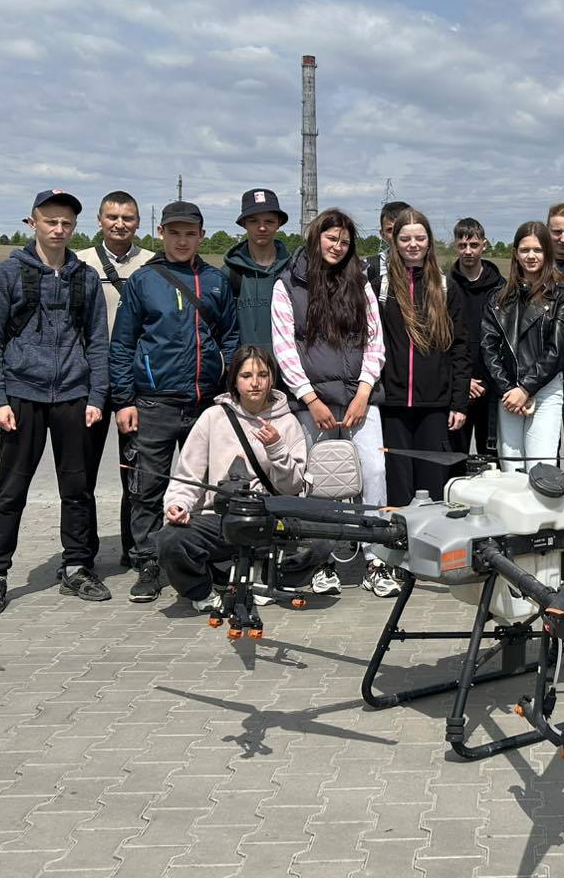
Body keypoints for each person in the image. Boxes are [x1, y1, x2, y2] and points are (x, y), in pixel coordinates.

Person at [0, 189, 110, 616]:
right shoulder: (7, 274)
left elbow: (98, 342)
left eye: (66, 223)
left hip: (73, 395)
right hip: (21, 395)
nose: (59, 229)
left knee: (77, 489)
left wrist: (96, 395)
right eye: (51, 221)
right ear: (32, 223)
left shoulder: (86, 277)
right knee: (11, 490)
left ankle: (77, 566)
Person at [109, 200, 240, 604]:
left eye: (190, 233)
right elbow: (122, 343)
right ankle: (148, 561)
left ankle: (206, 558)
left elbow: (231, 337)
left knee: (207, 487)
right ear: (161, 233)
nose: (182, 241)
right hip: (154, 403)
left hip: (205, 403)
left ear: (201, 236)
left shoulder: (216, 281)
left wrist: (225, 383)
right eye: (175, 233)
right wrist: (123, 400)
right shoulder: (144, 281)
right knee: (148, 487)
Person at [270, 208, 393, 595]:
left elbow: (375, 342)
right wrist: (310, 398)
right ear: (315, 237)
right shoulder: (287, 284)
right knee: (318, 479)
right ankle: (321, 561)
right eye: (331, 238)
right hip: (314, 403)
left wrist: (364, 391)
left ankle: (376, 560)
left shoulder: (361, 282)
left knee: (374, 471)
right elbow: (284, 348)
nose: (337, 246)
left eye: (344, 241)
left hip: (359, 399)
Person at [159, 346, 307, 610]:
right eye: (246, 375)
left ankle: (266, 575)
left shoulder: (288, 422)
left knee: (322, 542)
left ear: (272, 379)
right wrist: (177, 504)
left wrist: (276, 448)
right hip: (222, 519)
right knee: (170, 539)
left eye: (263, 375)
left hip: (268, 519)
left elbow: (292, 487)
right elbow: (187, 475)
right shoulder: (213, 417)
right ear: (234, 381)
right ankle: (203, 589)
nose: (255, 383)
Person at [76, 190, 150, 567]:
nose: (120, 224)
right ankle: (81, 554)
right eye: (112, 217)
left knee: (135, 473)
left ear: (138, 222)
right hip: (87, 383)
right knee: (81, 474)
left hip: (134, 384)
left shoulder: (152, 263)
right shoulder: (79, 263)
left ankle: (134, 549)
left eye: (127, 218)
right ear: (100, 220)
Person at [378, 208, 470, 506]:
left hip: (435, 404)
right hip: (392, 404)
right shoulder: (381, 285)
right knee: (397, 485)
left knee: (432, 486)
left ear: (429, 241)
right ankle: (398, 534)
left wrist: (459, 402)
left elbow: (460, 348)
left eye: (420, 238)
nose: (413, 245)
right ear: (394, 241)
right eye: (405, 238)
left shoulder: (445, 286)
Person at [481, 221, 564, 469]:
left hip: (545, 390)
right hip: (508, 393)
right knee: (511, 471)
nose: (531, 256)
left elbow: (558, 351)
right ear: (515, 253)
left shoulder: (562, 297)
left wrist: (526, 389)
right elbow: (488, 348)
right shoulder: (497, 298)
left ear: (547, 253)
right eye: (525, 250)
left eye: (537, 250)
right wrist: (509, 390)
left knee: (540, 468)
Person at [447, 217, 503, 459]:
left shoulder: (501, 288)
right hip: (457, 386)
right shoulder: (444, 287)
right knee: (455, 459)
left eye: (474, 245)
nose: (468, 251)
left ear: (484, 245)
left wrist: (491, 380)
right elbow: (442, 340)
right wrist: (462, 381)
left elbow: (505, 341)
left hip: (492, 387)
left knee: (491, 461)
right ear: (455, 246)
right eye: (462, 245)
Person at [222, 188, 292, 351]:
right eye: (254, 221)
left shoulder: (293, 271)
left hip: (287, 364)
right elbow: (224, 331)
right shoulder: (230, 273)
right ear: (244, 224)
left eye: (269, 221)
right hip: (246, 364)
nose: (262, 228)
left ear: (279, 224)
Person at [364, 200, 411, 302]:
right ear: (382, 234)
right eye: (390, 230)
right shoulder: (369, 267)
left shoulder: (430, 269)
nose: (396, 234)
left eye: (402, 228)